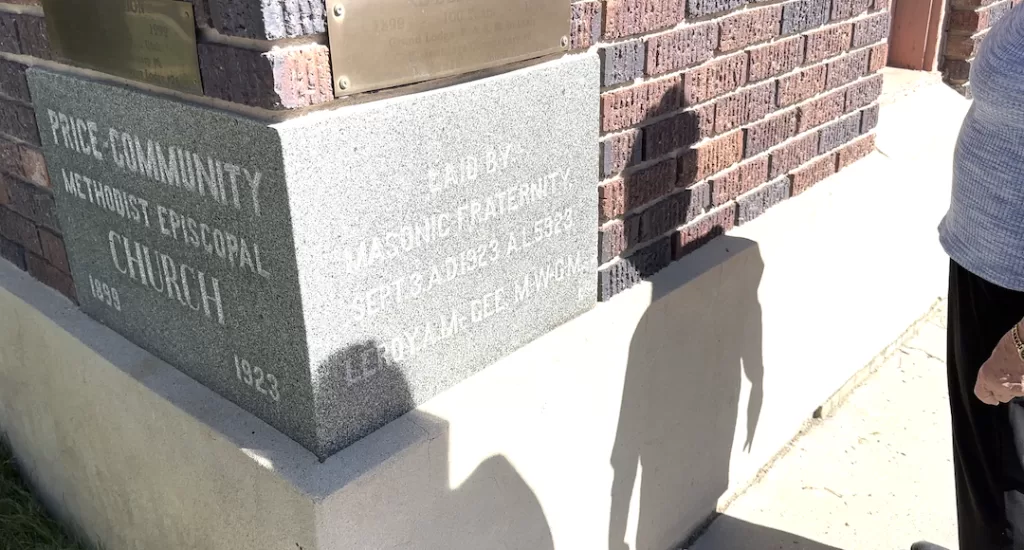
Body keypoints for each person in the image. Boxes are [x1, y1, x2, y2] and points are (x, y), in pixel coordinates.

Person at [920, 5, 1024, 550]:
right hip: (985, 266)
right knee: (983, 471)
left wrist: (1023, 345)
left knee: (1009, 489)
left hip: (1015, 300)